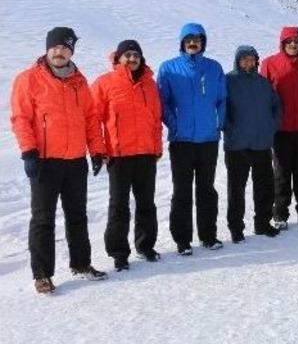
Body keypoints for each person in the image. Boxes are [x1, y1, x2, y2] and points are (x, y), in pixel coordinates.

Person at [11, 27, 108, 294]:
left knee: (77, 215)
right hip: (45, 161)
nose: (59, 52)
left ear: (71, 52)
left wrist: (96, 151)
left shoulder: (80, 81)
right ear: (47, 49)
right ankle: (42, 275)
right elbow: (21, 118)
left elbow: (90, 118)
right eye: (55, 47)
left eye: (65, 48)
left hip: (75, 160)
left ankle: (81, 264)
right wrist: (29, 151)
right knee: (43, 219)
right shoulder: (29, 79)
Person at [91, 40, 162, 271]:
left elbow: (156, 120)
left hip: (146, 154)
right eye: (128, 55)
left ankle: (146, 246)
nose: (132, 59)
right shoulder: (105, 83)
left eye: (136, 55)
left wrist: (156, 147)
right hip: (118, 156)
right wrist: (99, 150)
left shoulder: (150, 85)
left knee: (146, 203)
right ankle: (119, 253)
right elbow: (93, 119)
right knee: (119, 206)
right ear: (118, 58)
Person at [158, 22, 227, 255]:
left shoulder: (214, 68)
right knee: (182, 191)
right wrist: (174, 125)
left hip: (208, 140)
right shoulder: (169, 68)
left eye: (197, 39)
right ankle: (182, 240)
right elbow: (163, 102)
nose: (192, 42)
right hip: (182, 141)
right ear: (182, 42)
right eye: (188, 39)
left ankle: (208, 236)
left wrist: (218, 124)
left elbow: (222, 100)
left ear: (203, 42)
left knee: (207, 189)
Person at [260, 26, 298, 228]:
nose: (293, 44)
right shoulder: (270, 63)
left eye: (296, 41)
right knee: (281, 175)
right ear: (282, 43)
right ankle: (280, 214)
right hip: (281, 130)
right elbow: (264, 94)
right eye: (289, 41)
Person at [224, 45, 282, 243]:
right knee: (236, 189)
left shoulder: (263, 83)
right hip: (237, 144)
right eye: (244, 59)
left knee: (264, 186)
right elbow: (220, 107)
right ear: (237, 61)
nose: (248, 62)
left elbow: (276, 105)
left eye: (252, 59)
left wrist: (272, 126)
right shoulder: (228, 81)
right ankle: (236, 228)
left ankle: (262, 223)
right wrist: (228, 128)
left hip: (261, 142)